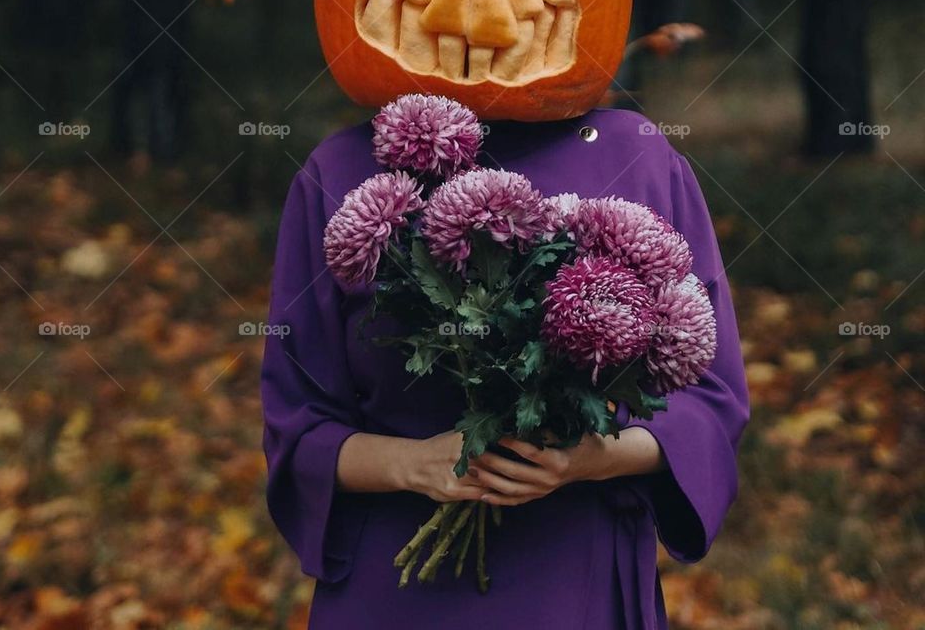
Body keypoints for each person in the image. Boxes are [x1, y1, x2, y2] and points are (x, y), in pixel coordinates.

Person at [261, 106, 749, 629]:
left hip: (574, 576)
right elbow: (297, 428)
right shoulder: (337, 169)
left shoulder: (638, 152)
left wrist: (592, 457)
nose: (488, 22)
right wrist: (411, 464)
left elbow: (711, 401)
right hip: (392, 586)